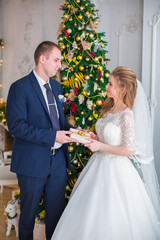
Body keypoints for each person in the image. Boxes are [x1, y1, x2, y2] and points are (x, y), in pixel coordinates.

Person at [51, 66, 160, 240]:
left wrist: (100, 146)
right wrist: (91, 136)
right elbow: (105, 138)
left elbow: (128, 150)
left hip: (116, 170)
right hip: (98, 164)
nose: (106, 87)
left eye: (110, 84)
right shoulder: (109, 110)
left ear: (123, 89)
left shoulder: (126, 115)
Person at [6, 41, 77, 240]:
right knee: (27, 217)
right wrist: (52, 136)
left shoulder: (56, 86)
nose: (59, 65)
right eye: (56, 60)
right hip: (32, 162)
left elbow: (60, 123)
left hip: (58, 162)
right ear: (42, 59)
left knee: (56, 216)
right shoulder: (19, 87)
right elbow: (17, 126)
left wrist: (76, 132)